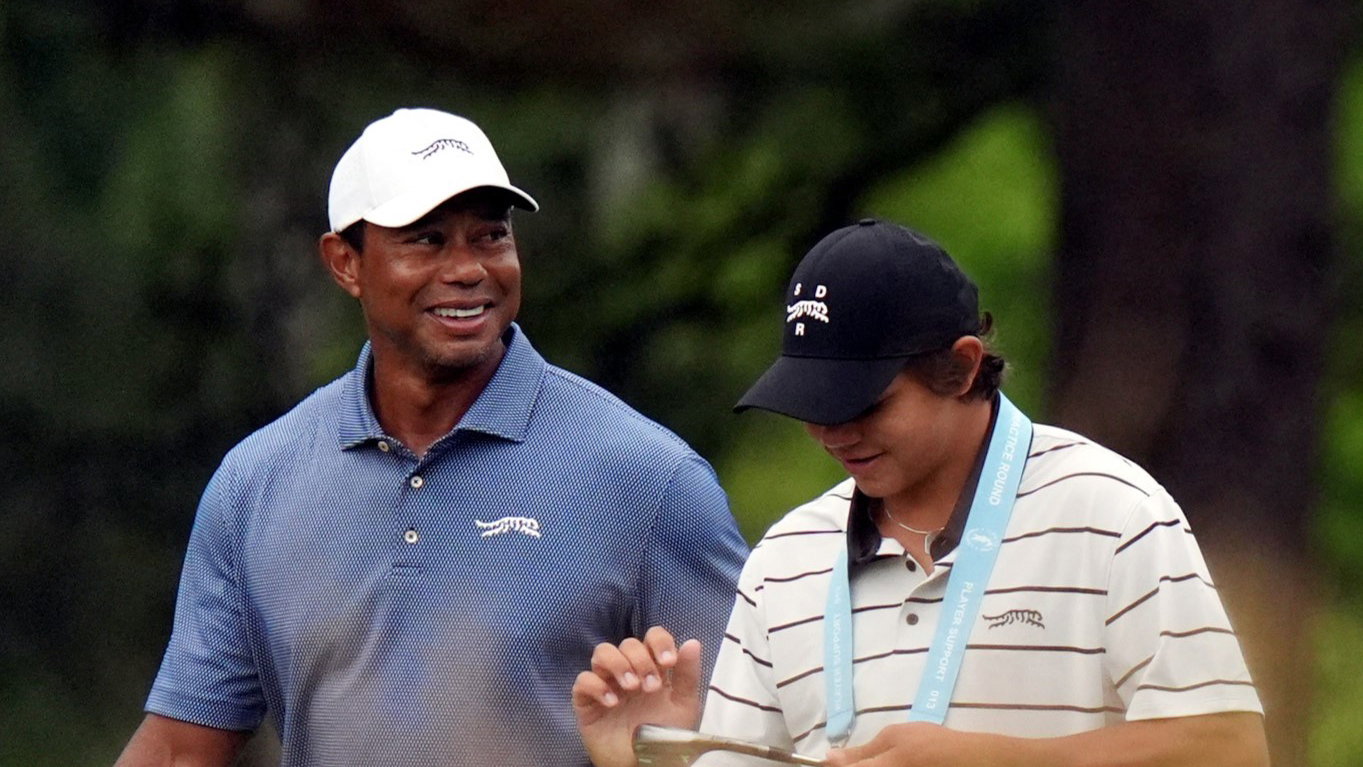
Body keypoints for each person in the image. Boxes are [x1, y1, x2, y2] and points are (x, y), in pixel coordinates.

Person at [114, 107, 748, 767]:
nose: (469, 268)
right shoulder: (254, 484)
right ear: (344, 262)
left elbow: (750, 738)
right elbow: (179, 751)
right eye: (427, 240)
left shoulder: (651, 481)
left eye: (490, 236)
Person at [573, 219, 1268, 766]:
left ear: (960, 367)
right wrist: (650, 759)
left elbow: (1230, 750)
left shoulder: (1111, 513)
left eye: (861, 403)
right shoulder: (783, 560)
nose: (829, 431)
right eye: (811, 402)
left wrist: (994, 762)